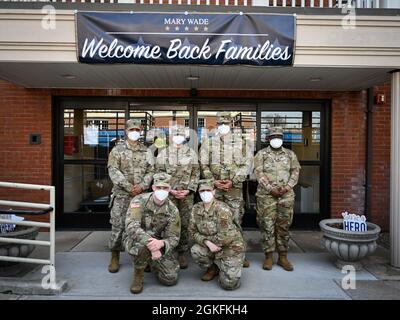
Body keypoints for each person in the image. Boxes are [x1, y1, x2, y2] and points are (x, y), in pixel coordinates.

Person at [199, 112, 252, 267]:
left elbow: (246, 164)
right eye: (220, 124)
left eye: (226, 123)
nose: (223, 126)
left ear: (232, 125)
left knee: (235, 221)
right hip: (214, 191)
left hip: (233, 190)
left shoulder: (241, 143)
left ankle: (238, 254)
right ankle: (215, 260)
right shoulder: (208, 143)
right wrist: (213, 181)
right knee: (214, 223)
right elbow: (203, 164)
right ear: (216, 125)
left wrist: (233, 181)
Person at [107, 119, 154, 273]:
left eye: (137, 129)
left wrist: (141, 186)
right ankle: (115, 256)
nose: (134, 132)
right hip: (122, 195)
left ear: (140, 131)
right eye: (131, 129)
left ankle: (143, 257)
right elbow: (113, 170)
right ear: (126, 131)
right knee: (118, 225)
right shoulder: (117, 150)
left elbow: (151, 171)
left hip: (141, 195)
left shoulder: (146, 151)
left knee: (142, 226)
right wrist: (129, 187)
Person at [123, 172, 181, 294]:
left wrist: (160, 244)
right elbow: (131, 227)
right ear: (153, 187)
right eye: (158, 187)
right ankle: (138, 274)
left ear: (170, 189)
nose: (161, 190)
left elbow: (174, 237)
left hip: (159, 243)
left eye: (165, 188)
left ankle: (152, 263)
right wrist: (151, 245)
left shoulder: (172, 209)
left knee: (170, 279)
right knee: (142, 248)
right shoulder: (138, 200)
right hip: (137, 240)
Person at [253, 126, 301, 271]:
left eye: (279, 137)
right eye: (273, 137)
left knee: (283, 227)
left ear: (282, 139)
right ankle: (268, 257)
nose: (276, 140)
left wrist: (287, 187)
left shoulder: (290, 154)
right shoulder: (261, 154)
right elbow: (259, 173)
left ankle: (283, 257)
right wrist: (270, 189)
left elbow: (295, 172)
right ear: (268, 139)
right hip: (266, 196)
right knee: (266, 226)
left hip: (286, 196)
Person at [156, 125, 200, 269]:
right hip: (169, 195)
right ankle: (168, 249)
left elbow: (196, 173)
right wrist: (169, 190)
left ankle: (182, 252)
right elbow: (159, 173)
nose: (178, 136)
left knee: (185, 223)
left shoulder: (191, 153)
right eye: (175, 134)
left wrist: (189, 190)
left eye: (180, 134)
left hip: (186, 195)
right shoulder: (164, 153)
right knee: (167, 222)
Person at [189, 179, 245, 290]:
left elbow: (225, 237)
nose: (205, 193)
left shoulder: (222, 209)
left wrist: (208, 241)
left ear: (214, 192)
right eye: (202, 191)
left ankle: (224, 266)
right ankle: (213, 267)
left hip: (230, 247)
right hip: (211, 246)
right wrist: (207, 242)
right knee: (196, 250)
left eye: (208, 190)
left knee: (229, 284)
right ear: (199, 193)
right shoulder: (196, 209)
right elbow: (192, 231)